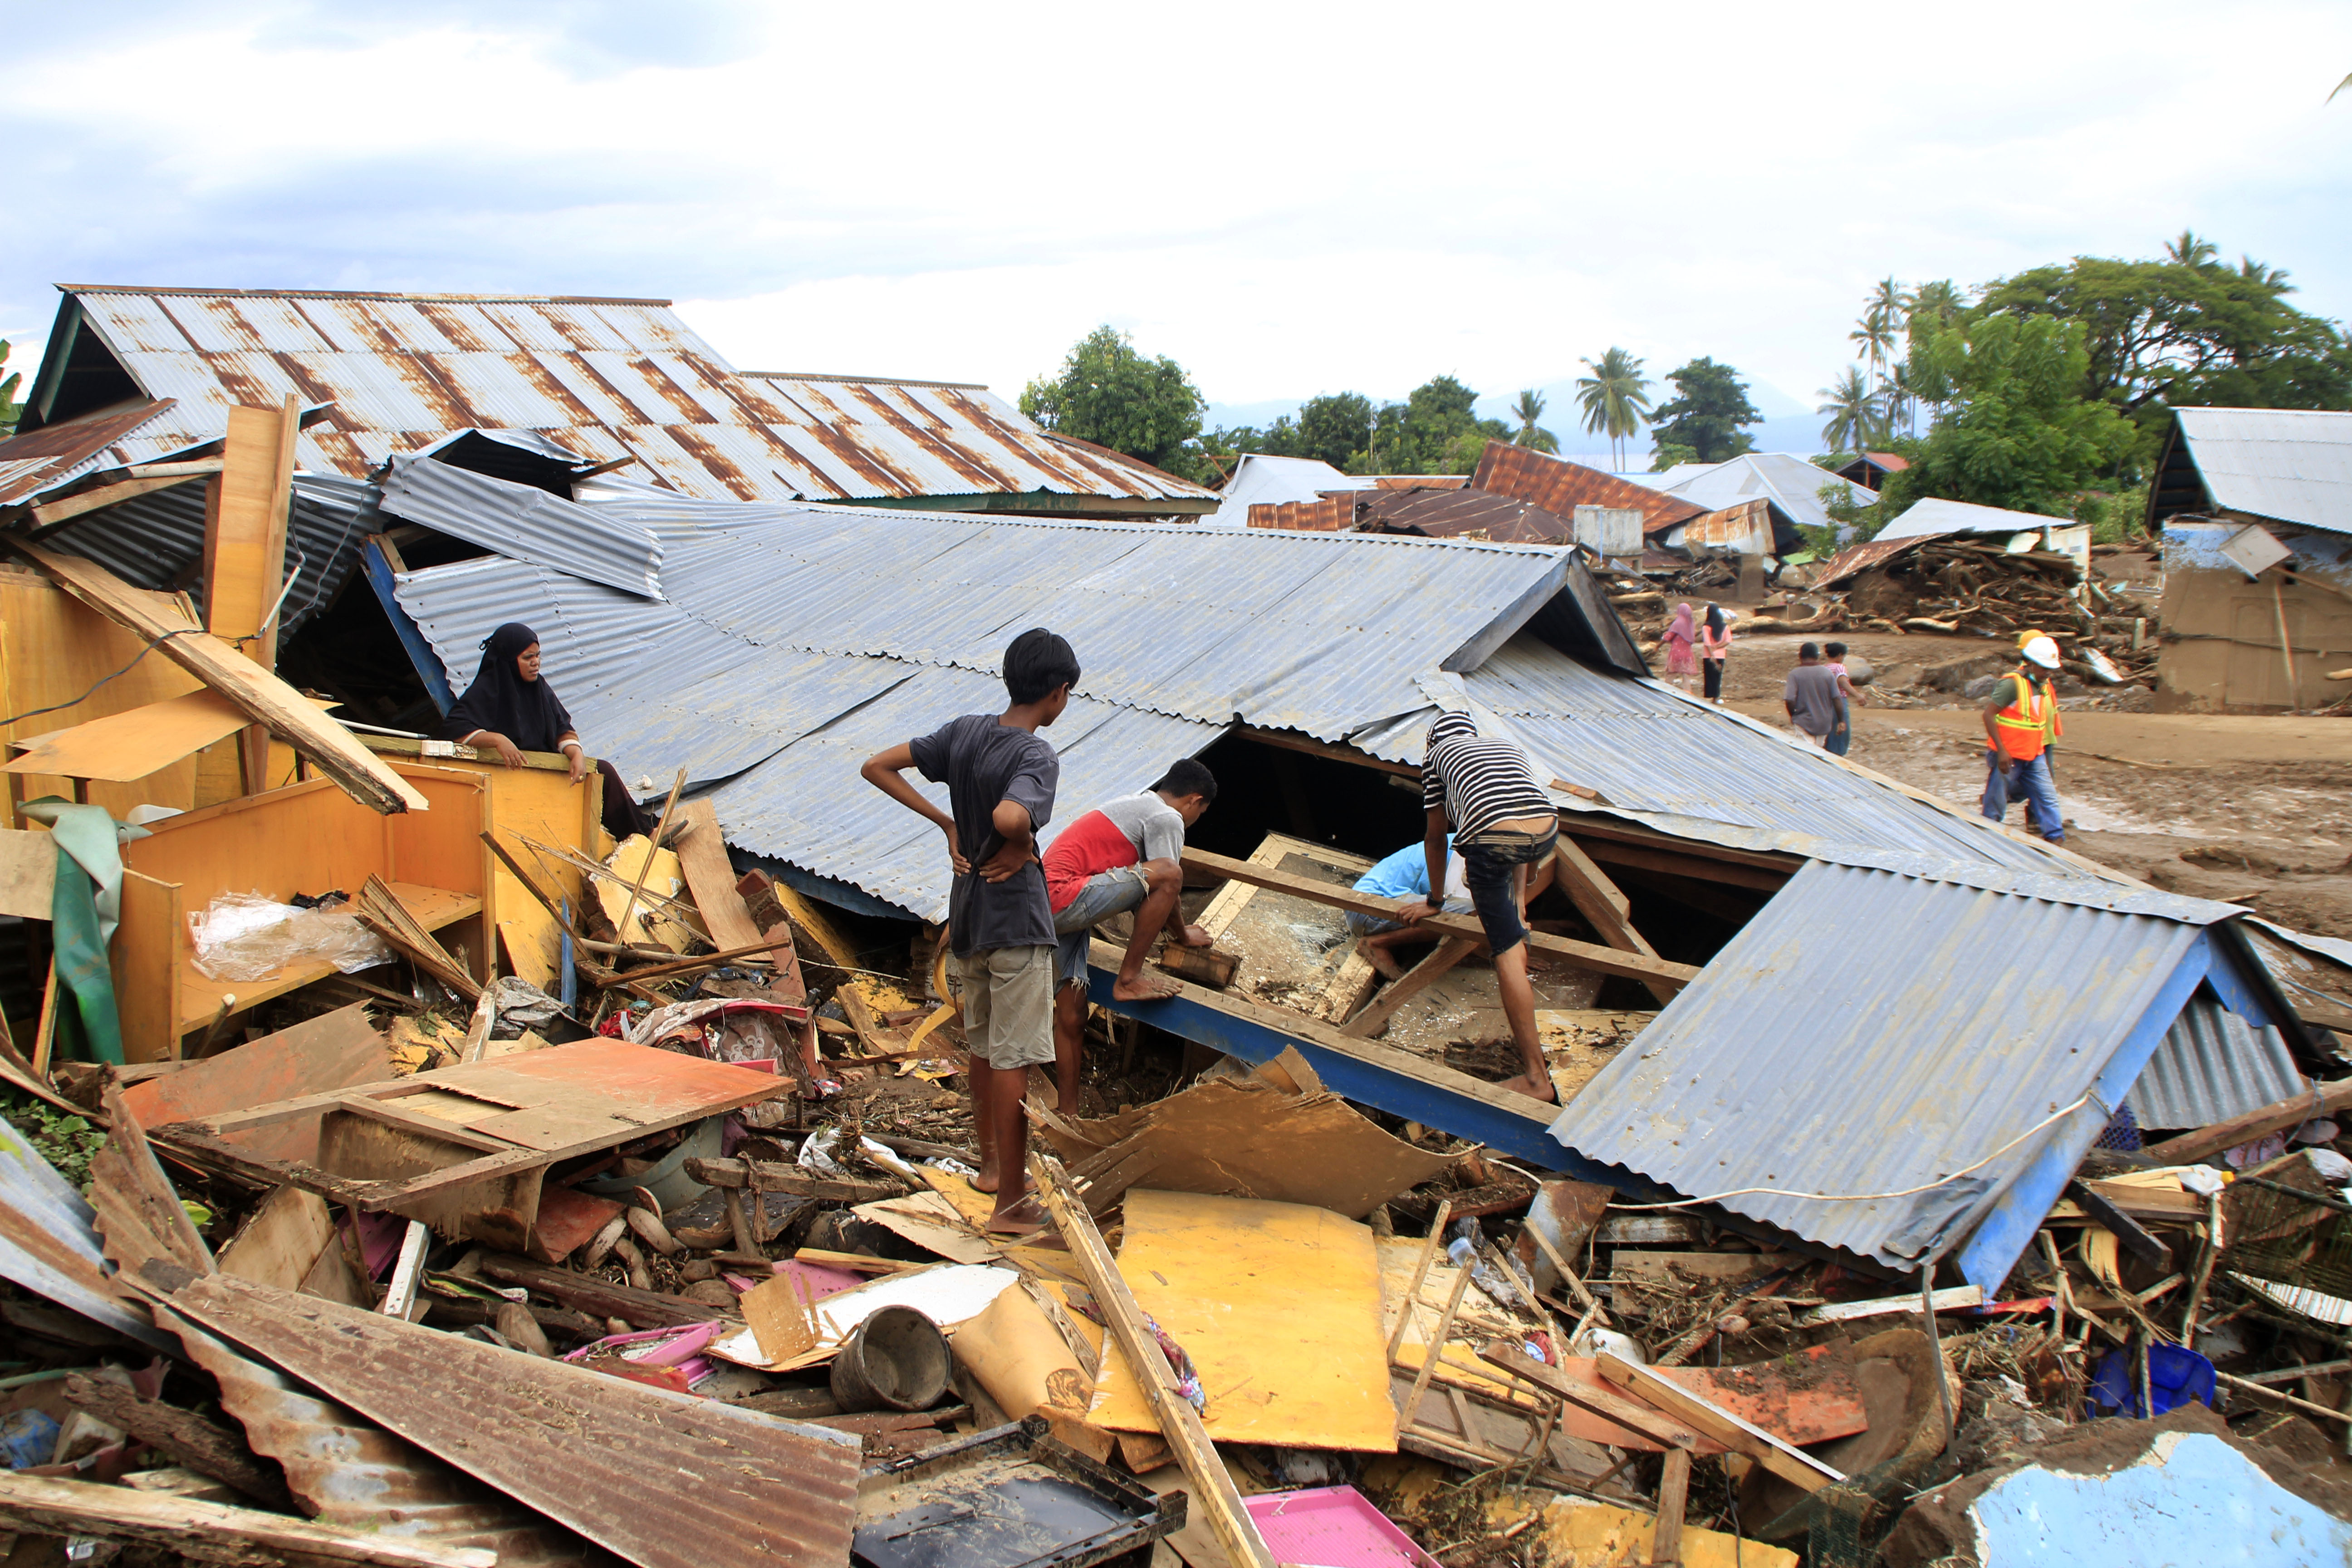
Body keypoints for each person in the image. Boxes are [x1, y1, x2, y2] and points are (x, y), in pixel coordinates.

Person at [860, 627, 1078, 1233]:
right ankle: (1012, 1201)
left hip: (971, 916)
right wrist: (1023, 837)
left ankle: (989, 1169)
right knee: (1013, 1058)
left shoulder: (964, 731)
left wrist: (947, 825)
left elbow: (875, 765)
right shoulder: (1035, 756)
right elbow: (1012, 813)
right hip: (1016, 925)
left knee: (983, 1048)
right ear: (1058, 694)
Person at [1040, 759, 1219, 1114]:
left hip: (1050, 904)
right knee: (1169, 872)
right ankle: (1128, 978)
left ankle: (1069, 1111)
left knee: (1072, 1013)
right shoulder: (1166, 817)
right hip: (1063, 897)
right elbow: (1169, 880)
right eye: (1201, 812)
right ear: (1194, 801)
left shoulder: (1134, 804)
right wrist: (1183, 935)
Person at [1399, 713, 1560, 1103]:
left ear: (1430, 740)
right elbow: (1520, 826)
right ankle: (1515, 913)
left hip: (1493, 836)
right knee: (1506, 857)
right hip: (1547, 831)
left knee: (1505, 950)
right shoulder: (1504, 747)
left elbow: (1436, 838)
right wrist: (1520, 903)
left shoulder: (1436, 756)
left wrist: (1434, 902)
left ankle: (1537, 1079)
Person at [443, 622, 652, 842]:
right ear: (508, 660)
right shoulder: (486, 691)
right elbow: (454, 729)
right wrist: (497, 740)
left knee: (603, 772)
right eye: (527, 658)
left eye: (538, 656)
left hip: (549, 770)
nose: (536, 663)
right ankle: (641, 835)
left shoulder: (539, 687)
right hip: (512, 779)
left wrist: (576, 754)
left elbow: (562, 728)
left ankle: (641, 834)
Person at [1349, 837, 1482, 980]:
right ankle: (1376, 943)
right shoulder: (1464, 853)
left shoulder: (1462, 841)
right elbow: (1470, 921)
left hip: (1363, 907)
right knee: (1469, 912)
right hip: (1370, 908)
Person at [1981, 632, 2067, 844]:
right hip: (2009, 754)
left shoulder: (2043, 685)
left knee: (2047, 795)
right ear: (2029, 664)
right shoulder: (2011, 685)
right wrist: (2002, 751)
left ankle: (2055, 836)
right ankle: (1988, 833)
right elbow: (1988, 715)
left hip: (2034, 753)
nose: (2048, 673)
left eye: (2050, 669)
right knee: (1997, 797)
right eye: (2044, 668)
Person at [1782, 642, 1843, 749]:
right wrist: (1841, 720)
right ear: (1817, 656)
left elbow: (1790, 700)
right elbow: (1837, 699)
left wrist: (1794, 715)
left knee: (1805, 756)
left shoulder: (1795, 674)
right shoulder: (1827, 673)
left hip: (1804, 722)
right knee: (1818, 753)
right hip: (1824, 724)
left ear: (1800, 656)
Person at [1821, 641, 1866, 757]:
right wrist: (1858, 695)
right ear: (1840, 655)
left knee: (1830, 730)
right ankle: (1837, 756)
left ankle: (1827, 753)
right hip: (1839, 701)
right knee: (1841, 731)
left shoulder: (1823, 668)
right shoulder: (1840, 667)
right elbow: (1842, 682)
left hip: (1825, 702)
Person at [1700, 604, 1732, 704]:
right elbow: (1728, 641)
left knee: (1709, 676)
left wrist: (1712, 655)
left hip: (1708, 656)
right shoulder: (1725, 626)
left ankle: (1711, 696)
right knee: (1718, 676)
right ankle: (1716, 697)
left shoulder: (1706, 626)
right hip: (1721, 655)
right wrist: (1718, 647)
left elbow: (1707, 642)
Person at [1663, 603, 1698, 694]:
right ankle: (1688, 694)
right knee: (1686, 675)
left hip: (1676, 652)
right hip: (1688, 653)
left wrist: (1659, 644)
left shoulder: (1678, 622)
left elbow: (1669, 637)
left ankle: (1666, 692)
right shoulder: (1692, 623)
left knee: (1671, 674)